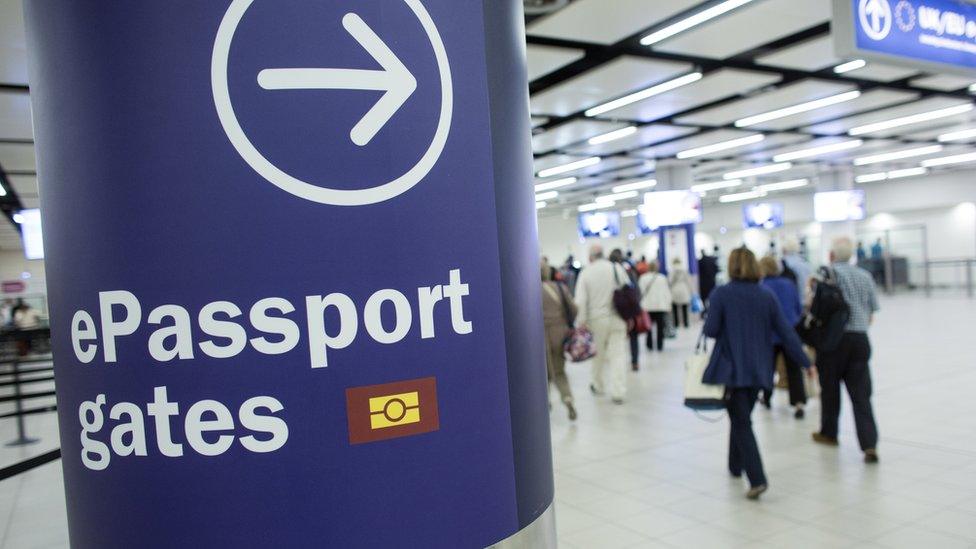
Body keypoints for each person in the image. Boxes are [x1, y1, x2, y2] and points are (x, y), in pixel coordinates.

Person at [703, 247, 812, 500]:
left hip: (732, 369)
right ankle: (734, 465)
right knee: (741, 414)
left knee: (741, 420)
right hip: (760, 369)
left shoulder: (721, 294)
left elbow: (710, 330)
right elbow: (786, 332)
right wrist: (805, 361)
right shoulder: (766, 295)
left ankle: (757, 478)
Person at [813, 237, 882, 464]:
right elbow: (872, 311)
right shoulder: (865, 276)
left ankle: (829, 433)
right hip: (860, 340)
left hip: (833, 342)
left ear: (831, 255)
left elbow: (814, 307)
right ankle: (869, 443)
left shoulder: (826, 274)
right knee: (862, 394)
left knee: (830, 390)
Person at [575, 245, 629, 404]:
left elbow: (581, 300)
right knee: (618, 355)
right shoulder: (616, 268)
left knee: (597, 355)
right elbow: (628, 290)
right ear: (603, 254)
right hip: (617, 317)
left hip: (596, 320)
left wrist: (581, 321)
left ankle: (598, 385)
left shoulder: (586, 273)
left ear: (591, 257)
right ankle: (618, 391)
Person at [759, 256, 807, 419]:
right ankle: (799, 402)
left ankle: (766, 397)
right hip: (790, 332)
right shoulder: (788, 284)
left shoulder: (762, 287)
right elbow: (798, 308)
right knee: (794, 369)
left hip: (769, 335)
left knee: (768, 368)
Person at [541, 263, 578, 421]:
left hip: (540, 337)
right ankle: (568, 399)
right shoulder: (560, 288)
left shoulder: (528, 290)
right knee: (559, 371)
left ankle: (544, 403)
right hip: (560, 333)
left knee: (542, 374)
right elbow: (574, 309)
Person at [638, 260, 672, 352]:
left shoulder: (643, 278)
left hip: (647, 306)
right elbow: (666, 292)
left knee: (648, 326)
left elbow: (640, 292)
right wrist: (669, 304)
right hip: (660, 306)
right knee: (660, 327)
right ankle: (660, 345)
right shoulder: (662, 278)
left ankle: (649, 345)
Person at [669, 259, 693, 328]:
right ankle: (686, 323)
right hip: (684, 289)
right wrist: (691, 291)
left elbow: (670, 281)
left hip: (675, 290)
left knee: (675, 308)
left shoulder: (672, 271)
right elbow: (688, 281)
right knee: (685, 308)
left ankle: (676, 324)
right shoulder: (685, 270)